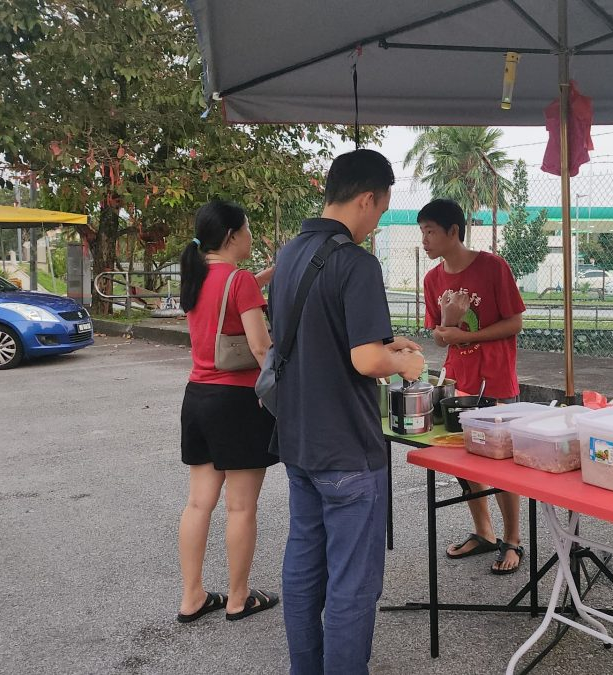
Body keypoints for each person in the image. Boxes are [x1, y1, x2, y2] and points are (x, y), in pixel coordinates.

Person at [270, 149, 426, 675]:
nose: (378, 223)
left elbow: (321, 334)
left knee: (304, 564)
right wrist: (405, 362)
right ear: (366, 198)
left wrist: (385, 341)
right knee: (352, 583)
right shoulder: (356, 262)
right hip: (348, 452)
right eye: (380, 211)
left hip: (298, 440)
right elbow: (364, 359)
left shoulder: (289, 254)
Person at [176, 200, 280, 624]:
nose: (252, 236)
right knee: (240, 508)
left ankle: (192, 597)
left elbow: (225, 294)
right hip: (237, 402)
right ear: (233, 235)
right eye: (249, 228)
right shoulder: (239, 282)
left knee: (199, 504)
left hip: (196, 397)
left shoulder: (196, 275)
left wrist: (265, 276)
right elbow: (260, 347)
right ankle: (238, 598)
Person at [419, 198, 527, 575]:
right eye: (422, 232)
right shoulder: (432, 279)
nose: (425, 239)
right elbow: (437, 335)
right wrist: (448, 329)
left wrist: (471, 332)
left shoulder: (493, 267)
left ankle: (513, 540)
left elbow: (515, 323)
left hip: (495, 379)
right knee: (468, 461)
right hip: (460, 381)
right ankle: (484, 532)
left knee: (501, 463)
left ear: (453, 231)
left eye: (430, 231)